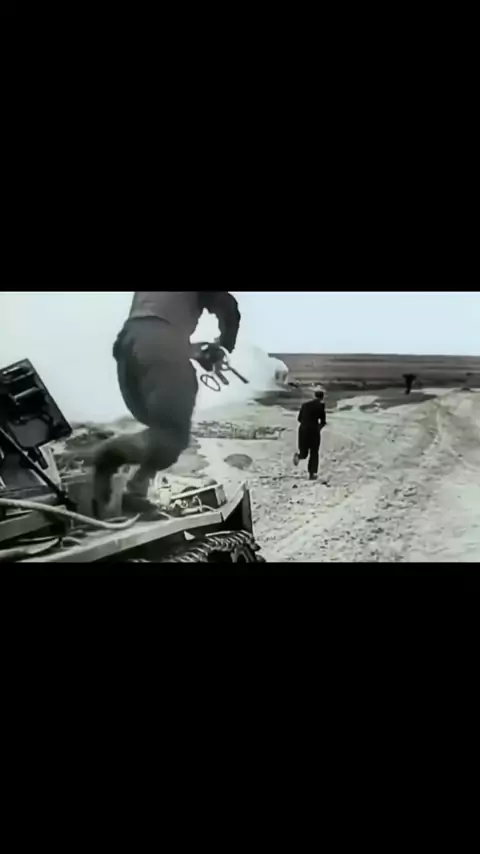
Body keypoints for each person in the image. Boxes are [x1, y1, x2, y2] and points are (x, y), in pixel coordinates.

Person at [93, 291, 241, 518]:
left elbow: (153, 325)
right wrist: (224, 346)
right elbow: (229, 309)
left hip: (128, 343)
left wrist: (191, 351)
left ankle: (135, 489)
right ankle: (110, 457)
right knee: (173, 435)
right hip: (158, 343)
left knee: (161, 427)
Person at [293, 390, 327, 480]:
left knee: (304, 452)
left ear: (314, 396)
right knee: (314, 452)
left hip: (303, 429)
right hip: (313, 431)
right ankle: (312, 473)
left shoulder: (305, 405)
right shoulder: (321, 406)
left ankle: (299, 456)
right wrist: (318, 428)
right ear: (322, 397)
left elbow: (299, 419)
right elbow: (323, 422)